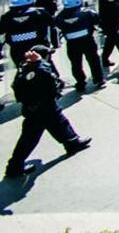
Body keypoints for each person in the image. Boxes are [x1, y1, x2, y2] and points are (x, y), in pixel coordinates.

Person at [5, 45, 92, 178]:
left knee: (60, 123)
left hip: (35, 107)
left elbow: (17, 88)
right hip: (43, 107)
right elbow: (50, 82)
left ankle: (72, 142)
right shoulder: (41, 69)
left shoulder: (24, 68)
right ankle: (14, 167)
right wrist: (40, 63)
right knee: (29, 138)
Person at [55, 0, 105, 92]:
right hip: (87, 41)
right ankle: (99, 79)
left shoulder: (60, 16)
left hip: (72, 43)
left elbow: (58, 25)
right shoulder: (87, 12)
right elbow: (97, 20)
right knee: (93, 60)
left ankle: (80, 82)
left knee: (76, 64)